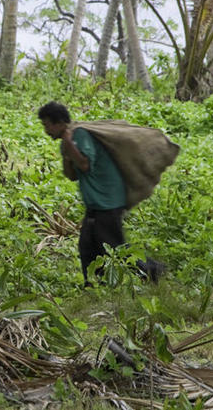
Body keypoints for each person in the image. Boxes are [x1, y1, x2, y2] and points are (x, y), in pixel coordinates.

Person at [38, 101, 163, 287]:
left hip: (108, 201)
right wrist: (66, 149)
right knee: (88, 246)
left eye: (47, 125)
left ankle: (152, 270)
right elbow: (71, 175)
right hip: (97, 203)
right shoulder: (69, 140)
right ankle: (95, 285)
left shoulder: (80, 135)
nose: (46, 130)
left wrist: (68, 143)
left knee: (115, 247)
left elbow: (85, 164)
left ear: (58, 123)